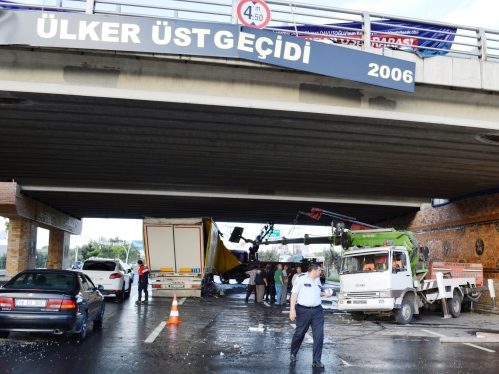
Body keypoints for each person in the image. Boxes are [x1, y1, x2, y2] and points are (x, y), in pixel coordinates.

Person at [289, 263, 332, 368]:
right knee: (300, 333)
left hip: (317, 311)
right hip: (303, 311)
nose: (321, 272)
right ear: (313, 270)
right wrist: (292, 310)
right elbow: (294, 294)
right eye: (319, 270)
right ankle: (293, 352)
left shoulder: (317, 280)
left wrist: (324, 294)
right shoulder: (301, 278)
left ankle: (316, 360)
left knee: (319, 335)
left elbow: (316, 292)